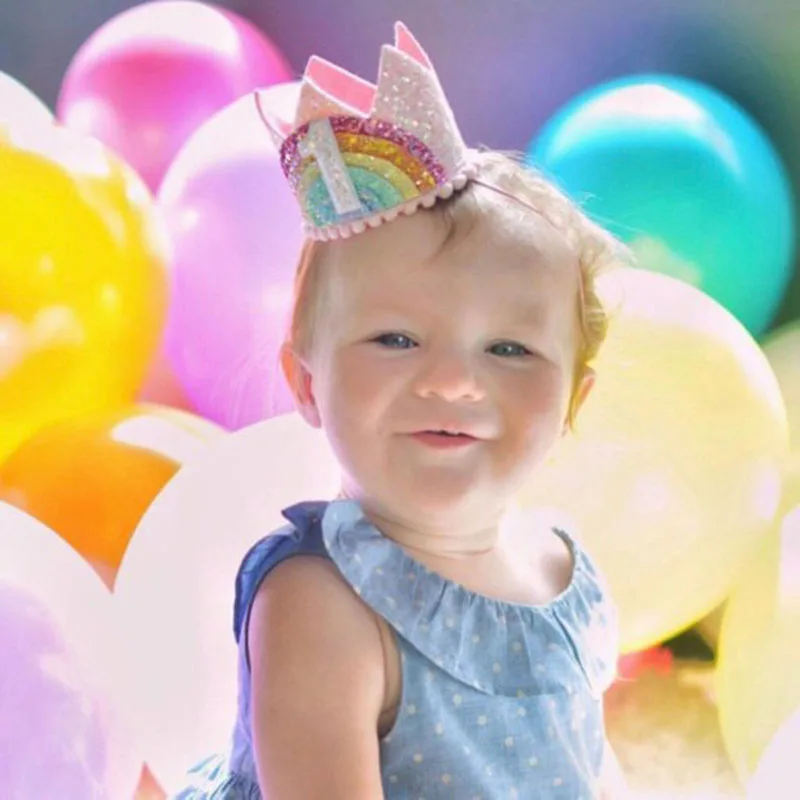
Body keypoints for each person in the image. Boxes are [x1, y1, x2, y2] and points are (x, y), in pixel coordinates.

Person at [174, 21, 628, 800]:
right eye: (396, 339)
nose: (452, 382)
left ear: (572, 403)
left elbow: (583, 771)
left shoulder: (563, 572)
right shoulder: (324, 605)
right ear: (307, 383)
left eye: (509, 349)